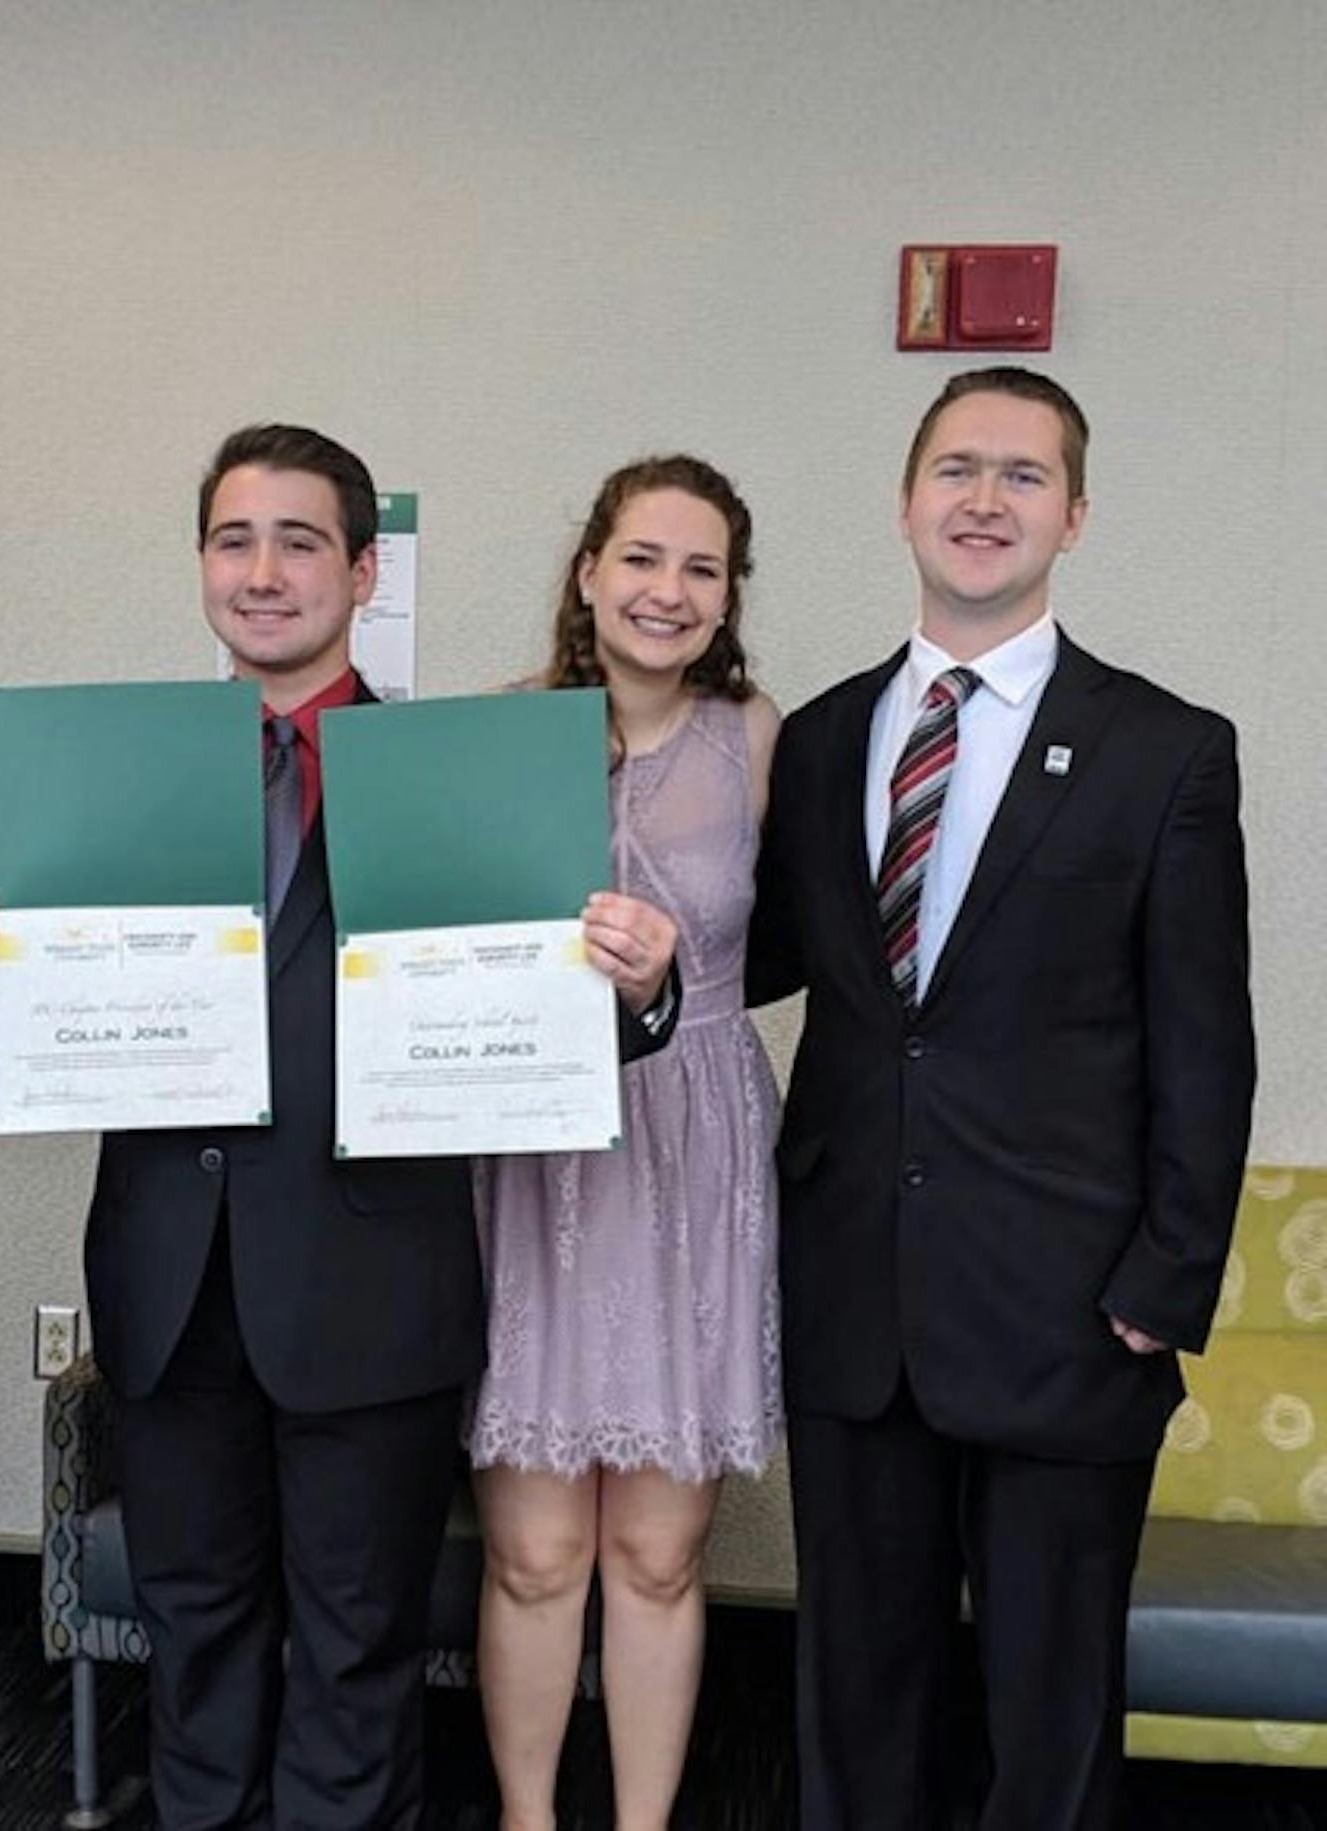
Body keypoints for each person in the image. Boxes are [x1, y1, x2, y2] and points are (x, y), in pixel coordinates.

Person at [0, 423, 682, 1828]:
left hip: (370, 1288)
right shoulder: (114, 773)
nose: (263, 571)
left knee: (357, 1651)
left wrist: (642, 987)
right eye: (233, 540)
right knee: (193, 1641)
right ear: (202, 565)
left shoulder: (455, 773)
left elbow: (556, 1022)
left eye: (297, 541)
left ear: (361, 567)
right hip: (168, 1285)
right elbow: (73, 1028)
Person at [749, 366, 1255, 1830]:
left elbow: (1205, 1040)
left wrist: (1171, 1276)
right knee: (856, 1687)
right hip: (854, 1294)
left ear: (1076, 518)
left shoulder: (1168, 752)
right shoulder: (827, 737)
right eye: (957, 469)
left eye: (1023, 477)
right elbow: (767, 961)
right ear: (905, 502)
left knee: (1049, 1711)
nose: (985, 501)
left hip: (1072, 1309)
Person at [467, 456, 782, 1829]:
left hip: (693, 1134)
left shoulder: (763, 738)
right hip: (530, 1149)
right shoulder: (499, 730)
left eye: (700, 569)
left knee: (658, 1550)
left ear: (727, 598)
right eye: (642, 559)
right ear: (588, 570)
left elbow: (802, 947)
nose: (668, 592)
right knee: (536, 1549)